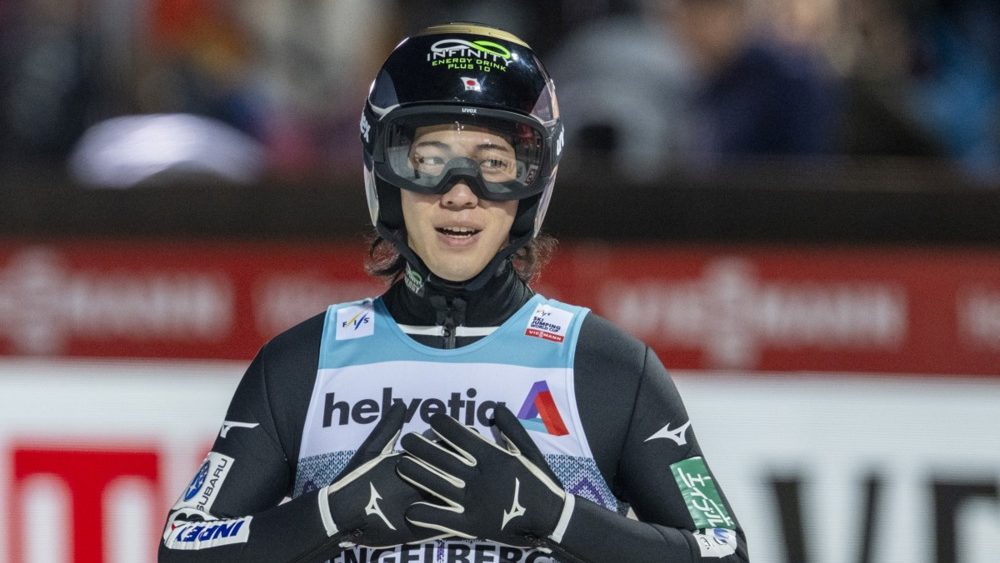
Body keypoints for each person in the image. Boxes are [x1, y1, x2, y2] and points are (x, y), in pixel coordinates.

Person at [159, 22, 749, 563]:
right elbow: (182, 547)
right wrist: (333, 514)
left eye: (493, 164)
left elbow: (723, 551)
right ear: (385, 176)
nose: (460, 193)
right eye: (429, 160)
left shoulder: (609, 368)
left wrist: (557, 518)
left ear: (533, 184)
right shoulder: (301, 365)